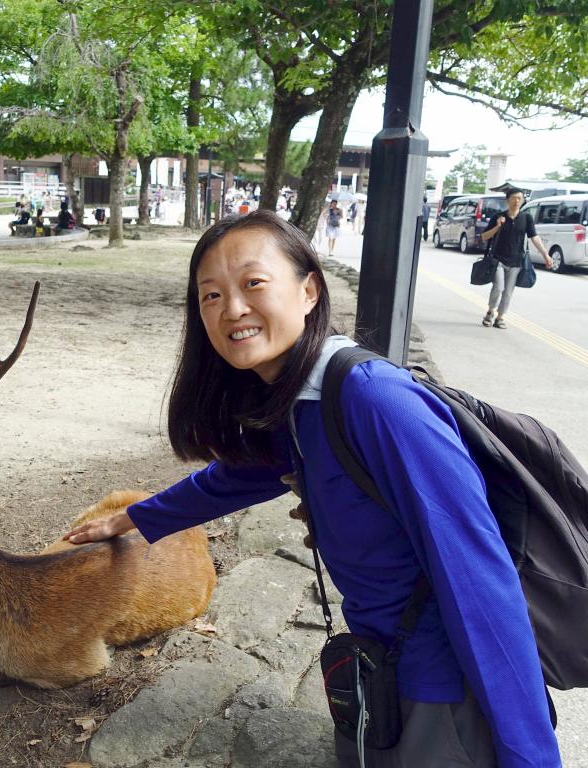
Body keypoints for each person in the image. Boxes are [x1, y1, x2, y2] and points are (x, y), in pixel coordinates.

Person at [63, 210, 560, 768]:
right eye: (210, 295)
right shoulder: (302, 402)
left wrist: (531, 755)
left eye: (253, 283)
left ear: (308, 290)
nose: (233, 309)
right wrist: (135, 519)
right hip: (379, 666)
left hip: (438, 689)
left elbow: (482, 587)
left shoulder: (377, 403)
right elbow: (243, 472)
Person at [480, 188, 552, 329]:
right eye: (514, 198)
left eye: (520, 198)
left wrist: (545, 254)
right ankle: (490, 312)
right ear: (508, 200)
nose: (517, 201)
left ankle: (500, 317)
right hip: (498, 259)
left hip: (516, 261)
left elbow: (534, 238)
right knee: (498, 287)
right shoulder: (498, 217)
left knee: (508, 291)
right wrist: (497, 226)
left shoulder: (526, 218)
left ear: (523, 200)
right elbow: (484, 236)